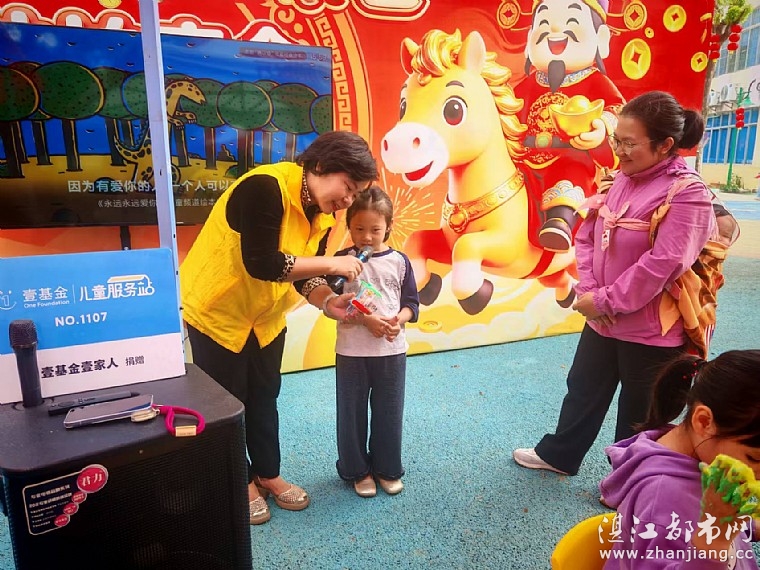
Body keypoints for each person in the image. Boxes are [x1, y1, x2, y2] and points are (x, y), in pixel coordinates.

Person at [179, 130, 378, 525]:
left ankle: (267, 473)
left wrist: (329, 302)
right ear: (320, 165)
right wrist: (333, 264)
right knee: (228, 404)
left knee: (265, 395)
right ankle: (238, 481)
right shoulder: (265, 188)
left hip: (265, 318)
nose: (348, 201)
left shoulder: (323, 213)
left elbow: (302, 275)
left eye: (355, 194)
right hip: (219, 314)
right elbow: (264, 263)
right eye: (347, 187)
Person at [513, 91, 716, 475]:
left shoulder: (688, 194)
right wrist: (590, 292)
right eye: (616, 140)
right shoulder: (620, 178)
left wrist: (605, 301)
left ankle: (630, 479)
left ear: (665, 145)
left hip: (652, 331)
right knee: (582, 389)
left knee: (641, 411)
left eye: (629, 143)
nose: (618, 151)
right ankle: (560, 455)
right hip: (603, 317)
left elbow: (664, 263)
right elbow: (587, 236)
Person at [599, 350, 760, 569]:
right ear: (703, 422)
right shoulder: (662, 498)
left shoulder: (710, 466)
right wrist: (715, 538)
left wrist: (748, 526)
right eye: (754, 458)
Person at [515, 0, 624, 253]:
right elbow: (510, 107)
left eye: (572, 23)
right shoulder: (528, 84)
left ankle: (561, 220)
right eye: (543, 24)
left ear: (601, 39)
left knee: (571, 171)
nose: (554, 31)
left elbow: (618, 109)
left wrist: (601, 128)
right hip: (524, 158)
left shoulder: (595, 81)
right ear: (530, 40)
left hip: (570, 155)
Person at [331, 186, 419, 498]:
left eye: (375, 230)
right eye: (359, 229)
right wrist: (365, 320)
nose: (366, 237)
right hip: (351, 352)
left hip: (391, 352)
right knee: (351, 413)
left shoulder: (400, 261)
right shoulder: (341, 262)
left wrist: (398, 320)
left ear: (388, 227)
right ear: (348, 226)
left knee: (389, 412)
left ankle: (387, 468)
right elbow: (331, 305)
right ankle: (357, 470)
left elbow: (411, 304)